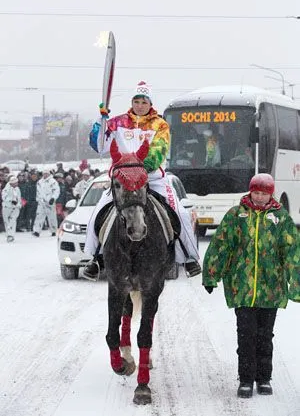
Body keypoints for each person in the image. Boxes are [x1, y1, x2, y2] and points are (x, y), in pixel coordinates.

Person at [84, 80, 201, 279]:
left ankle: (189, 257)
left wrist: (140, 169)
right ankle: (95, 258)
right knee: (97, 213)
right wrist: (100, 121)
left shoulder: (160, 124)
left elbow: (158, 152)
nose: (140, 105)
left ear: (150, 103)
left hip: (152, 178)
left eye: (144, 101)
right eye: (136, 101)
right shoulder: (117, 122)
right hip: (121, 179)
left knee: (180, 213)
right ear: (132, 102)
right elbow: (99, 146)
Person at [202, 173, 300, 398]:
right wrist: (211, 274)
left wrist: (296, 283)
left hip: (271, 289)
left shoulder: (281, 219)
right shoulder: (237, 216)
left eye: (264, 193)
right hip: (242, 288)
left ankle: (264, 378)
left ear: (270, 194)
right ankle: (245, 380)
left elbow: (293, 253)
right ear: (250, 191)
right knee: (246, 335)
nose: (259, 197)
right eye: (256, 192)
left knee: (265, 336)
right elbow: (221, 245)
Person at [32, 168, 60, 237]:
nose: (45, 175)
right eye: (44, 174)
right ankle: (36, 231)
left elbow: (56, 191)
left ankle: (53, 231)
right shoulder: (39, 182)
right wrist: (38, 200)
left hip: (50, 202)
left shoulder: (53, 181)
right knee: (39, 217)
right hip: (41, 203)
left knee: (52, 217)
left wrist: (53, 198)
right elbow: (38, 192)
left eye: (47, 173)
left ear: (49, 174)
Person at [2, 176, 22, 242]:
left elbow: (19, 198)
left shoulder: (17, 189)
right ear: (12, 183)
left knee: (13, 220)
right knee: (7, 222)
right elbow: (4, 197)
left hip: (15, 208)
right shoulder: (6, 189)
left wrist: (19, 204)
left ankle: (11, 234)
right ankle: (9, 235)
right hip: (7, 207)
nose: (17, 184)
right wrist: (11, 200)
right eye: (15, 182)